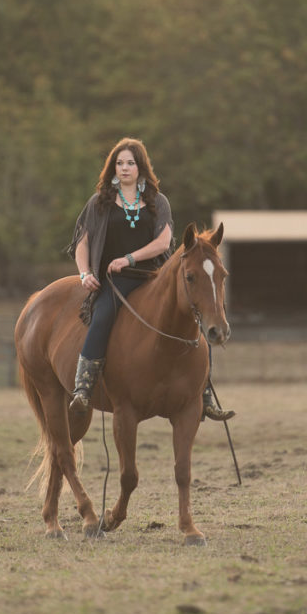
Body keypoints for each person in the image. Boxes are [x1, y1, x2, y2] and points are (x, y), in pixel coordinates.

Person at [67, 137, 234, 421]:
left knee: (195, 321)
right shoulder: (100, 202)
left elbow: (163, 242)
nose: (124, 168)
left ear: (140, 167)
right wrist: (84, 273)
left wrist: (129, 258)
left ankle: (204, 393)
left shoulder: (158, 201)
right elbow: (82, 242)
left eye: (130, 163)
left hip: (154, 278)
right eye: (119, 163)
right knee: (103, 316)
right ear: (112, 168)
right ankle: (83, 386)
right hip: (115, 282)